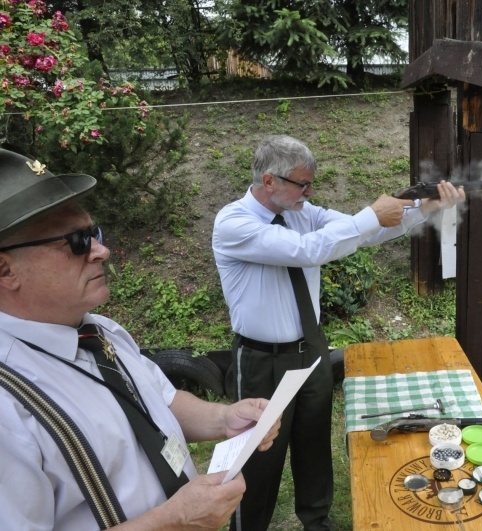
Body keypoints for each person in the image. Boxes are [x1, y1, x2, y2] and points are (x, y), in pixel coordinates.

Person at [0, 147, 281, 530]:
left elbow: (161, 401)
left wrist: (224, 418)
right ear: (5, 270)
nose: (102, 251)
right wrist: (177, 518)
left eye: (94, 233)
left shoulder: (98, 330)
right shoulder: (6, 406)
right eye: (77, 241)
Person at [212, 134, 464, 530]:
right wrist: (369, 214)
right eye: (302, 183)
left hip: (310, 349)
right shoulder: (234, 223)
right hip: (261, 357)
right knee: (259, 453)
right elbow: (307, 250)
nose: (309, 191)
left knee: (314, 442)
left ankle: (317, 519)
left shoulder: (301, 210)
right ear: (268, 181)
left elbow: (361, 232)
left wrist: (423, 208)